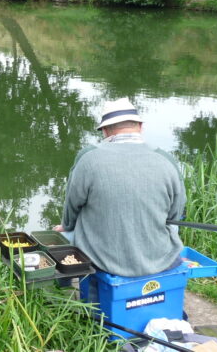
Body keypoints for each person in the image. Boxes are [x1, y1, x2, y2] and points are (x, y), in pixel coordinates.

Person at [52, 98, 185, 278]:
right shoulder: (166, 159)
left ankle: (66, 287)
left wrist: (66, 226)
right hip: (160, 259)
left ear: (105, 131)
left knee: (61, 235)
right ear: (140, 126)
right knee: (173, 228)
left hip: (102, 260)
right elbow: (175, 215)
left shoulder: (88, 158)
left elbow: (72, 205)